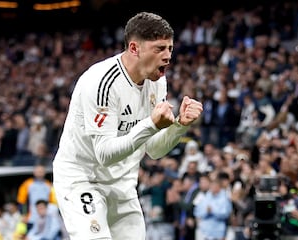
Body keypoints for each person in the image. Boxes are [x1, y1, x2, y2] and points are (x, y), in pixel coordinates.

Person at [52, 11, 203, 240]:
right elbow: (103, 154)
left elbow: (153, 149)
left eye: (170, 48)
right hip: (83, 178)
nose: (167, 56)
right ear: (134, 48)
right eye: (159, 48)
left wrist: (180, 125)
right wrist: (151, 125)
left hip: (123, 182)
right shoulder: (102, 83)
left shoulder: (157, 82)